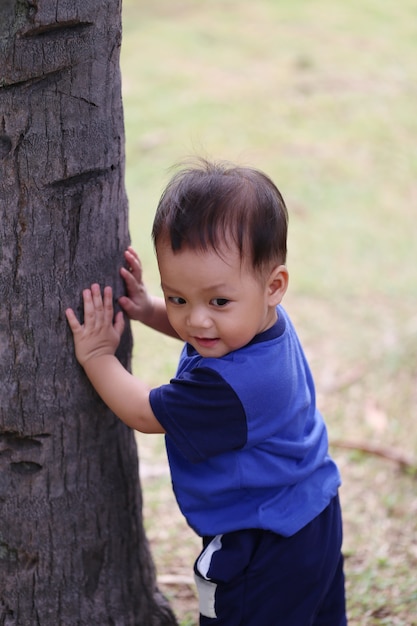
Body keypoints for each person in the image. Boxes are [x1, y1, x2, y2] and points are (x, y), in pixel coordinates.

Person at [66, 159, 347, 625]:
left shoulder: (226, 390)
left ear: (274, 285)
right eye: (178, 297)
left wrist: (97, 355)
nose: (196, 320)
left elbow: (142, 412)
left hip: (261, 543)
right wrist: (149, 309)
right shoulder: (263, 323)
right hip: (312, 513)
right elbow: (209, 336)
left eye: (217, 301)